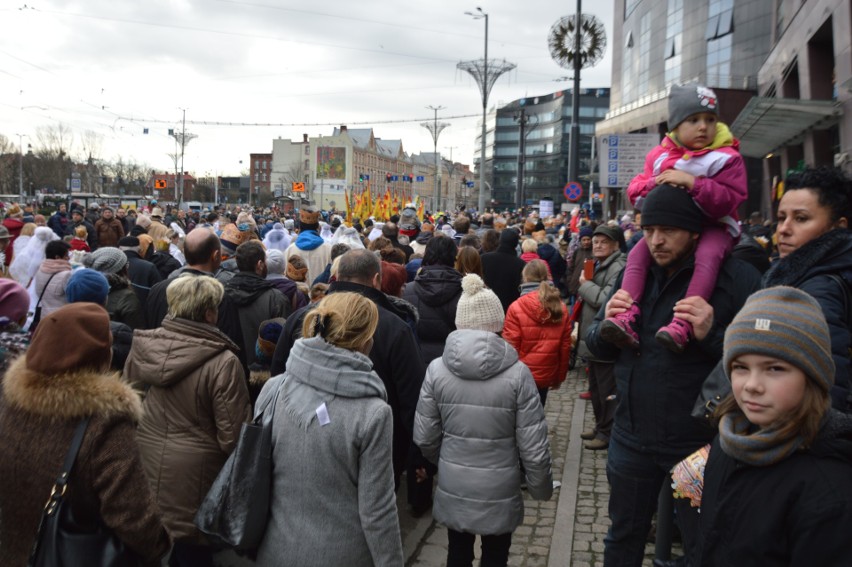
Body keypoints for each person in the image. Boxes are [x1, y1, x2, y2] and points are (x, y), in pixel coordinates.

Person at [585, 184, 761, 567]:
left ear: (696, 231)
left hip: (698, 446)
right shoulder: (634, 276)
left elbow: (758, 365)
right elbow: (595, 347)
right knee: (622, 535)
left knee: (702, 544)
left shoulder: (736, 278)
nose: (656, 241)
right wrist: (606, 326)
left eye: (668, 230)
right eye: (648, 231)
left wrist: (713, 334)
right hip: (631, 439)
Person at [0, 303, 172, 565]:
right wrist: (161, 542)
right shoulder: (105, 426)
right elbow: (138, 524)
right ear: (102, 357)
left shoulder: (8, 402)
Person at [693, 286, 852, 566]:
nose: (752, 385)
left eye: (775, 368)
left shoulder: (830, 489)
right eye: (741, 367)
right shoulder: (728, 439)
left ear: (812, 376)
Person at [414, 273, 553, 567]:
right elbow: (533, 445)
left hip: (456, 482)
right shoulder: (518, 374)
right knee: (496, 555)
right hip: (500, 485)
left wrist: (447, 459)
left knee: (458, 551)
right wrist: (541, 488)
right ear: (498, 321)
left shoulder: (437, 370)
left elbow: (425, 435)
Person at [254, 293, 403, 566]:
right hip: (342, 554)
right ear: (365, 341)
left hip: (274, 548)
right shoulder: (373, 413)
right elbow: (377, 510)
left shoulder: (273, 389)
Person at [602, 84, 747, 353]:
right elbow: (636, 191)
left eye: (710, 120)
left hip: (715, 227)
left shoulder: (727, 157)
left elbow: (731, 199)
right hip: (676, 229)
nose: (703, 127)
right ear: (676, 126)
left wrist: (693, 183)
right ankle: (627, 313)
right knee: (635, 255)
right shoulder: (660, 156)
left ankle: (684, 322)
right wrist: (656, 183)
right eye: (693, 120)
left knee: (707, 257)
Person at [270, 249, 426, 489]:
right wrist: (418, 457)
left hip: (301, 439)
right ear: (376, 279)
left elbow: (279, 374)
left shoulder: (305, 318)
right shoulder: (395, 327)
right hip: (376, 447)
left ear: (337, 276)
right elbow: (412, 399)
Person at [125, 275, 252, 566]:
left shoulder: (145, 347)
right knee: (192, 550)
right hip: (197, 475)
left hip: (147, 456)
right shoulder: (223, 361)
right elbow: (233, 437)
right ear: (209, 313)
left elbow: (130, 403)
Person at [762, 166, 852, 410]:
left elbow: (829, 384)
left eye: (801, 218)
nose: (783, 229)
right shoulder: (798, 274)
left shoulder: (818, 291)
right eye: (781, 218)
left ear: (838, 227)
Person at [575, 225, 627, 450]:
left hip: (606, 338)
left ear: (616, 245)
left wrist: (585, 286)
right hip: (593, 337)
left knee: (606, 391)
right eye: (595, 241)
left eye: (603, 242)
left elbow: (606, 299)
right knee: (596, 389)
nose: (597, 245)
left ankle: (607, 433)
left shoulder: (618, 267)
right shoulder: (597, 263)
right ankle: (600, 426)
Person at [503, 259, 572, 407]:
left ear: (525, 278)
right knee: (539, 411)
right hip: (546, 373)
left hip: (521, 374)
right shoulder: (561, 308)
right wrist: (559, 377)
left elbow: (511, 346)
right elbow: (565, 347)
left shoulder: (516, 307)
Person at [402, 235, 463, 363]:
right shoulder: (466, 293)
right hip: (454, 359)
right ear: (453, 256)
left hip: (416, 360)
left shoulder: (406, 291)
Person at [86, 246, 146, 329]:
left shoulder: (85, 290)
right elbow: (136, 330)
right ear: (122, 269)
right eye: (126, 265)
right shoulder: (127, 297)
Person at [481, 227, 526, 312]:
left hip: (486, 307)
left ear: (500, 241)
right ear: (516, 244)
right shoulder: (521, 264)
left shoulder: (484, 258)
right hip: (510, 310)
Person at [284, 206, 331, 284]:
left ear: (300, 227)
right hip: (321, 295)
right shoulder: (328, 249)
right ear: (318, 227)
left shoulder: (290, 249)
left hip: (298, 295)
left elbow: (286, 277)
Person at [31, 239, 73, 318]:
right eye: (66, 255)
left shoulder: (40, 271)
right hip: (61, 317)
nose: (68, 258)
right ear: (57, 257)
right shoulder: (66, 275)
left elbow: (37, 293)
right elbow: (72, 298)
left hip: (44, 316)